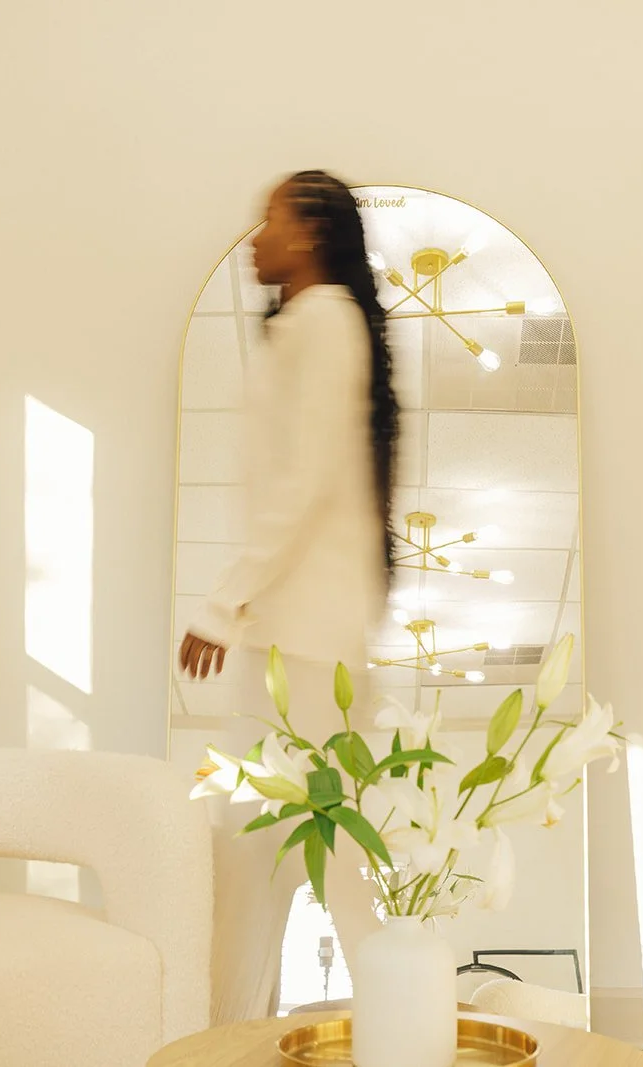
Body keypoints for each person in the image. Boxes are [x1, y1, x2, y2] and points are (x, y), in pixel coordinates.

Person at [178, 170, 399, 1024]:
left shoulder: (328, 319)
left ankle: (402, 1032)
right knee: (246, 855)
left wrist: (224, 600)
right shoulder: (308, 326)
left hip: (309, 644)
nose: (254, 239)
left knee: (332, 861)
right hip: (290, 641)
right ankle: (225, 1035)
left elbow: (304, 482)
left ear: (308, 232)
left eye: (266, 221)